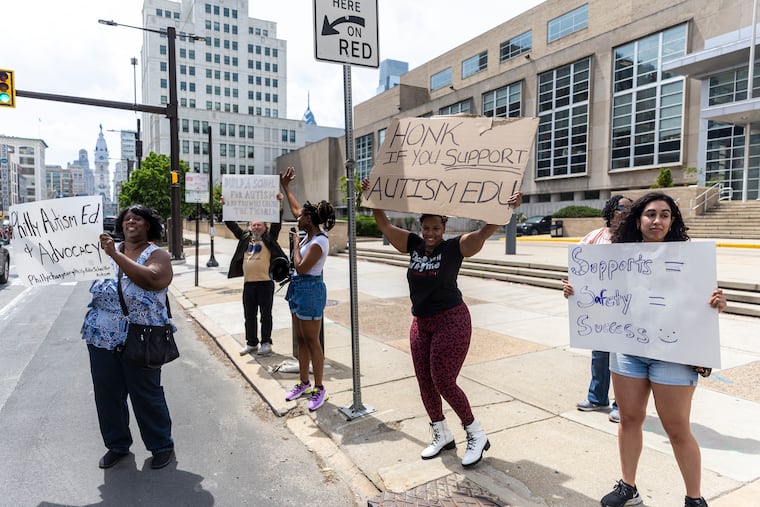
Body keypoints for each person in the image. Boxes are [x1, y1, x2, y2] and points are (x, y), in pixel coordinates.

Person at [562, 192, 726, 507]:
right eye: (651, 214)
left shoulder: (690, 258)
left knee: (677, 428)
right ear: (639, 219)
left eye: (665, 214)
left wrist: (719, 303)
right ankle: (628, 486)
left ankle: (694, 498)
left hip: (674, 357)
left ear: (673, 221)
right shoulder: (617, 255)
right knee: (629, 419)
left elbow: (702, 303)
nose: (657, 220)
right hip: (628, 351)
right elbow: (601, 296)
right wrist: (575, 291)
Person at [362, 177, 522, 467]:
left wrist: (505, 210)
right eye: (426, 228)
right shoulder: (413, 245)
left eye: (436, 228)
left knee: (444, 381)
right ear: (420, 228)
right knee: (425, 382)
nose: (430, 233)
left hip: (452, 320)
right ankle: (441, 433)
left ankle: (476, 433)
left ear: (444, 228)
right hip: (421, 323)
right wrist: (372, 197)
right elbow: (384, 226)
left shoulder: (454, 249)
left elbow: (483, 233)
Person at [81, 205, 176, 470]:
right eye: (127, 218)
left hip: (141, 337)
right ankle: (117, 445)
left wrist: (115, 255)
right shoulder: (105, 253)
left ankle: (161, 445)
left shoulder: (157, 254)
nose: (130, 221)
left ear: (148, 225)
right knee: (107, 395)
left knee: (146, 395)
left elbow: (153, 279)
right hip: (102, 337)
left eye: (138, 218)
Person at [565, 195, 632, 424]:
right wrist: (571, 287)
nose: (625, 212)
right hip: (599, 307)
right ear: (611, 210)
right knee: (599, 357)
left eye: (630, 209)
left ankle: (622, 405)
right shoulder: (595, 236)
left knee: (623, 359)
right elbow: (578, 267)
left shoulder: (635, 238)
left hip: (625, 308)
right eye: (621, 207)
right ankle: (597, 399)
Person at [280, 167, 336, 412]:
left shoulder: (319, 241)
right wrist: (286, 187)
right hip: (298, 289)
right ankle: (303, 383)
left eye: (301, 216)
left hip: (310, 290)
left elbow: (301, 268)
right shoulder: (308, 233)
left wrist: (294, 245)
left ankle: (319, 387)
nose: (297, 216)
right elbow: (294, 208)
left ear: (310, 220)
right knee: (301, 340)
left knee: (313, 341)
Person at [224, 194, 286, 356]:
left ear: (265, 228)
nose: (256, 227)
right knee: (249, 315)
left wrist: (279, 204)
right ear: (250, 227)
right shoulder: (245, 238)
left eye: (260, 225)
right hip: (249, 284)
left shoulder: (269, 238)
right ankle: (251, 343)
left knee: (266, 315)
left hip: (265, 283)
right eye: (254, 225)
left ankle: (266, 342)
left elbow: (277, 225)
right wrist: (225, 206)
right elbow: (232, 225)